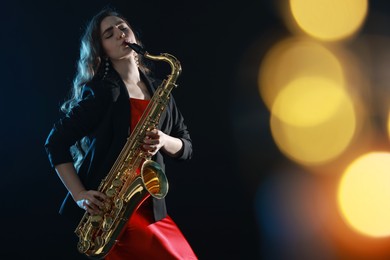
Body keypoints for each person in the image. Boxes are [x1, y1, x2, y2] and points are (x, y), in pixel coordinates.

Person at [44, 6, 197, 260]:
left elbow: (187, 147)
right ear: (102, 51)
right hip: (113, 214)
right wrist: (79, 195)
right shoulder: (103, 93)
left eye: (123, 28)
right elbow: (55, 143)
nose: (119, 34)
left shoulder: (161, 91)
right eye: (108, 34)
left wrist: (165, 140)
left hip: (151, 208)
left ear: (134, 36)